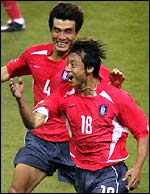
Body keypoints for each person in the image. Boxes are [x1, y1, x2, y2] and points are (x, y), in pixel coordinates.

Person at [1, 2, 125, 193]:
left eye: (68, 31)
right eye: (57, 30)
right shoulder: (35, 55)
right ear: (51, 29)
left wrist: (115, 86)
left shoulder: (83, 63)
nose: (61, 37)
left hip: (76, 144)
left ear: (76, 33)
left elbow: (111, 94)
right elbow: (7, 71)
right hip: (40, 142)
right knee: (15, 191)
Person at [9, 38, 149, 193]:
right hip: (81, 173)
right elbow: (34, 122)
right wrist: (20, 100)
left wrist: (137, 168)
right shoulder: (63, 95)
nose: (67, 69)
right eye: (67, 63)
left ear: (89, 68)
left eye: (73, 65)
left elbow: (142, 131)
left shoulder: (116, 97)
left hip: (109, 173)